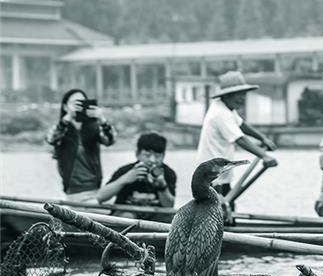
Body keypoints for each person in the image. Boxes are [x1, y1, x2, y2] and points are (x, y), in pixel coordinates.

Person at [196, 71, 278, 207]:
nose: (243, 98)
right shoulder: (220, 113)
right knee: (218, 211)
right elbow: (240, 139)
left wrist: (262, 138)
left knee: (228, 208)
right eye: (240, 94)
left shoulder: (227, 109)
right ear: (228, 95)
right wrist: (264, 155)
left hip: (221, 174)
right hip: (211, 176)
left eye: (244, 94)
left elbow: (241, 125)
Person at [46, 89, 116, 202]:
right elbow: (51, 139)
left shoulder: (94, 127)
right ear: (65, 107)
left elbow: (110, 141)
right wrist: (66, 119)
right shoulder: (62, 128)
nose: (79, 106)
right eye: (75, 103)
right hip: (73, 190)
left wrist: (102, 119)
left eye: (82, 102)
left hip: (95, 188)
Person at [96, 132, 177, 222]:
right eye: (147, 155)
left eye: (157, 156)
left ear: (163, 156)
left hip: (155, 215)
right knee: (127, 216)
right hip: (126, 214)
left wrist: (162, 186)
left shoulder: (167, 173)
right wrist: (125, 179)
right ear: (137, 154)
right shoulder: (125, 170)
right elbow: (101, 197)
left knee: (172, 220)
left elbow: (169, 206)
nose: (152, 160)